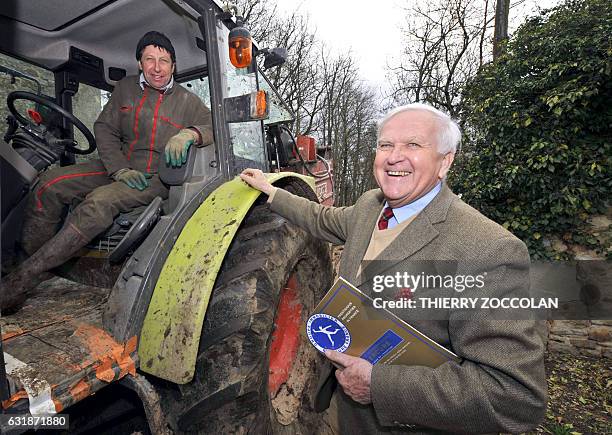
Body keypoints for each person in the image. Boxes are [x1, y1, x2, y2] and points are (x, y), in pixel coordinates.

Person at [240, 104, 547, 434]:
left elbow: (515, 396)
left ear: (445, 161)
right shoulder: (370, 207)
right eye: (386, 145)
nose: (393, 156)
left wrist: (378, 384)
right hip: (346, 417)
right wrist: (272, 192)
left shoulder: (487, 249)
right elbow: (321, 219)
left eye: (413, 145)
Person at [1, 31, 213, 313]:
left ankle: (22, 281)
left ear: (173, 66)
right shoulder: (125, 88)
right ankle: (32, 261)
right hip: (116, 164)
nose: (157, 67)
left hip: (153, 177)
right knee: (50, 183)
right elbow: (105, 128)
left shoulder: (189, 102)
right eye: (150, 59)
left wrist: (190, 133)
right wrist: (119, 168)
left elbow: (215, 126)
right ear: (140, 63)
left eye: (164, 61)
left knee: (99, 202)